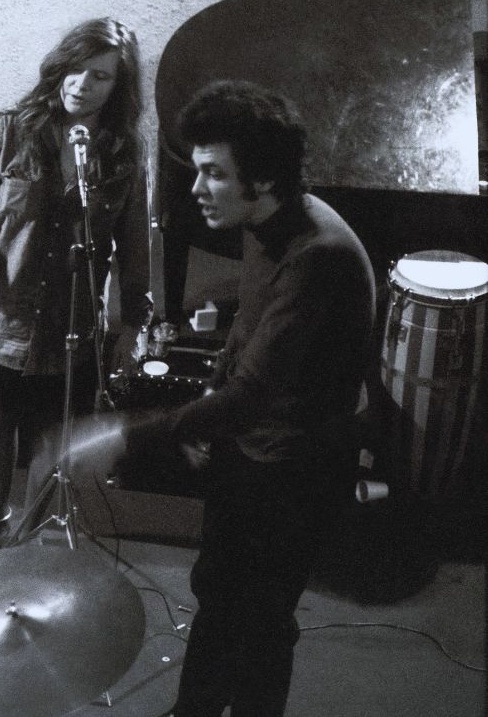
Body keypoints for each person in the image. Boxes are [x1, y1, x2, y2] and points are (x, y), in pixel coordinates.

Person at [119, 80, 375, 716]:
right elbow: (245, 340)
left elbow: (256, 394)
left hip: (292, 473)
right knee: (217, 593)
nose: (197, 188)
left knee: (261, 626)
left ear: (259, 180)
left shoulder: (320, 257)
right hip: (251, 455)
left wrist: (129, 435)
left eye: (212, 173)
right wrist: (209, 395)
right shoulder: (263, 221)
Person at [0, 17, 152, 556]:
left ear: (119, 87)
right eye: (75, 68)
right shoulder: (12, 131)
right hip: (6, 316)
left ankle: (34, 530)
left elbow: (136, 246)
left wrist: (132, 321)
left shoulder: (125, 157)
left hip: (73, 319)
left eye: (100, 76)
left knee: (53, 432)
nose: (80, 84)